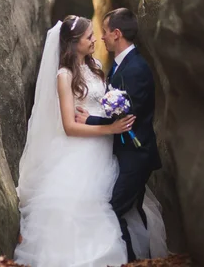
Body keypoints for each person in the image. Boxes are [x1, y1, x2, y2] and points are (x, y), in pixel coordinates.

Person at [14, 15, 166, 267]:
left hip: (106, 151)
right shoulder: (64, 75)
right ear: (74, 43)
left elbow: (103, 107)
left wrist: (110, 119)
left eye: (96, 34)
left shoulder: (95, 65)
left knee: (112, 205)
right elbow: (70, 126)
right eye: (89, 37)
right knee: (83, 208)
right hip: (82, 152)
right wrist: (110, 128)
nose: (95, 39)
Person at [76, 8, 162, 262]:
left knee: (110, 210)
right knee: (126, 212)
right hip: (125, 153)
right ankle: (137, 257)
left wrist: (89, 119)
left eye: (104, 32)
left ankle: (127, 259)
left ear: (117, 33)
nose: (101, 38)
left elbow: (124, 117)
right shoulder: (120, 64)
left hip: (137, 155)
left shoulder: (136, 68)